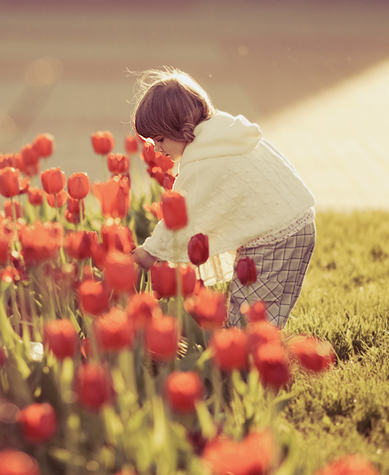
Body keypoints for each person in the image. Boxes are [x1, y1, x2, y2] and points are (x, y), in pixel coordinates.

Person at [130, 68, 316, 329]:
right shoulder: (224, 133)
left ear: (179, 126)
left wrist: (149, 253)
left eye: (160, 139)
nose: (157, 148)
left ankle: (246, 354)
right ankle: (255, 351)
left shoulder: (202, 159)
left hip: (275, 237)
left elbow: (182, 215)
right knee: (262, 317)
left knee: (246, 323)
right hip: (294, 222)